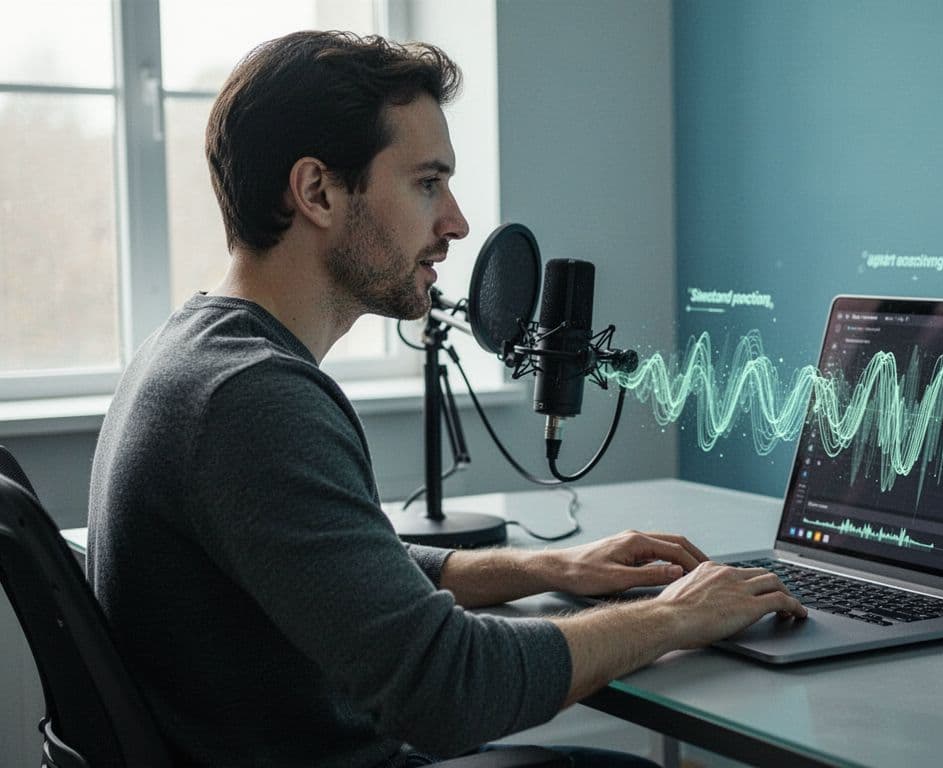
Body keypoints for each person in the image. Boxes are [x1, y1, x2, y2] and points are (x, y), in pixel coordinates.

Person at [86, 30, 805, 768]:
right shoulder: (253, 400)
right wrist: (674, 616)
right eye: (427, 183)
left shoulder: (196, 355)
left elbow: (352, 569)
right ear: (318, 192)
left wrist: (548, 568)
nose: (457, 222)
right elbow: (448, 690)